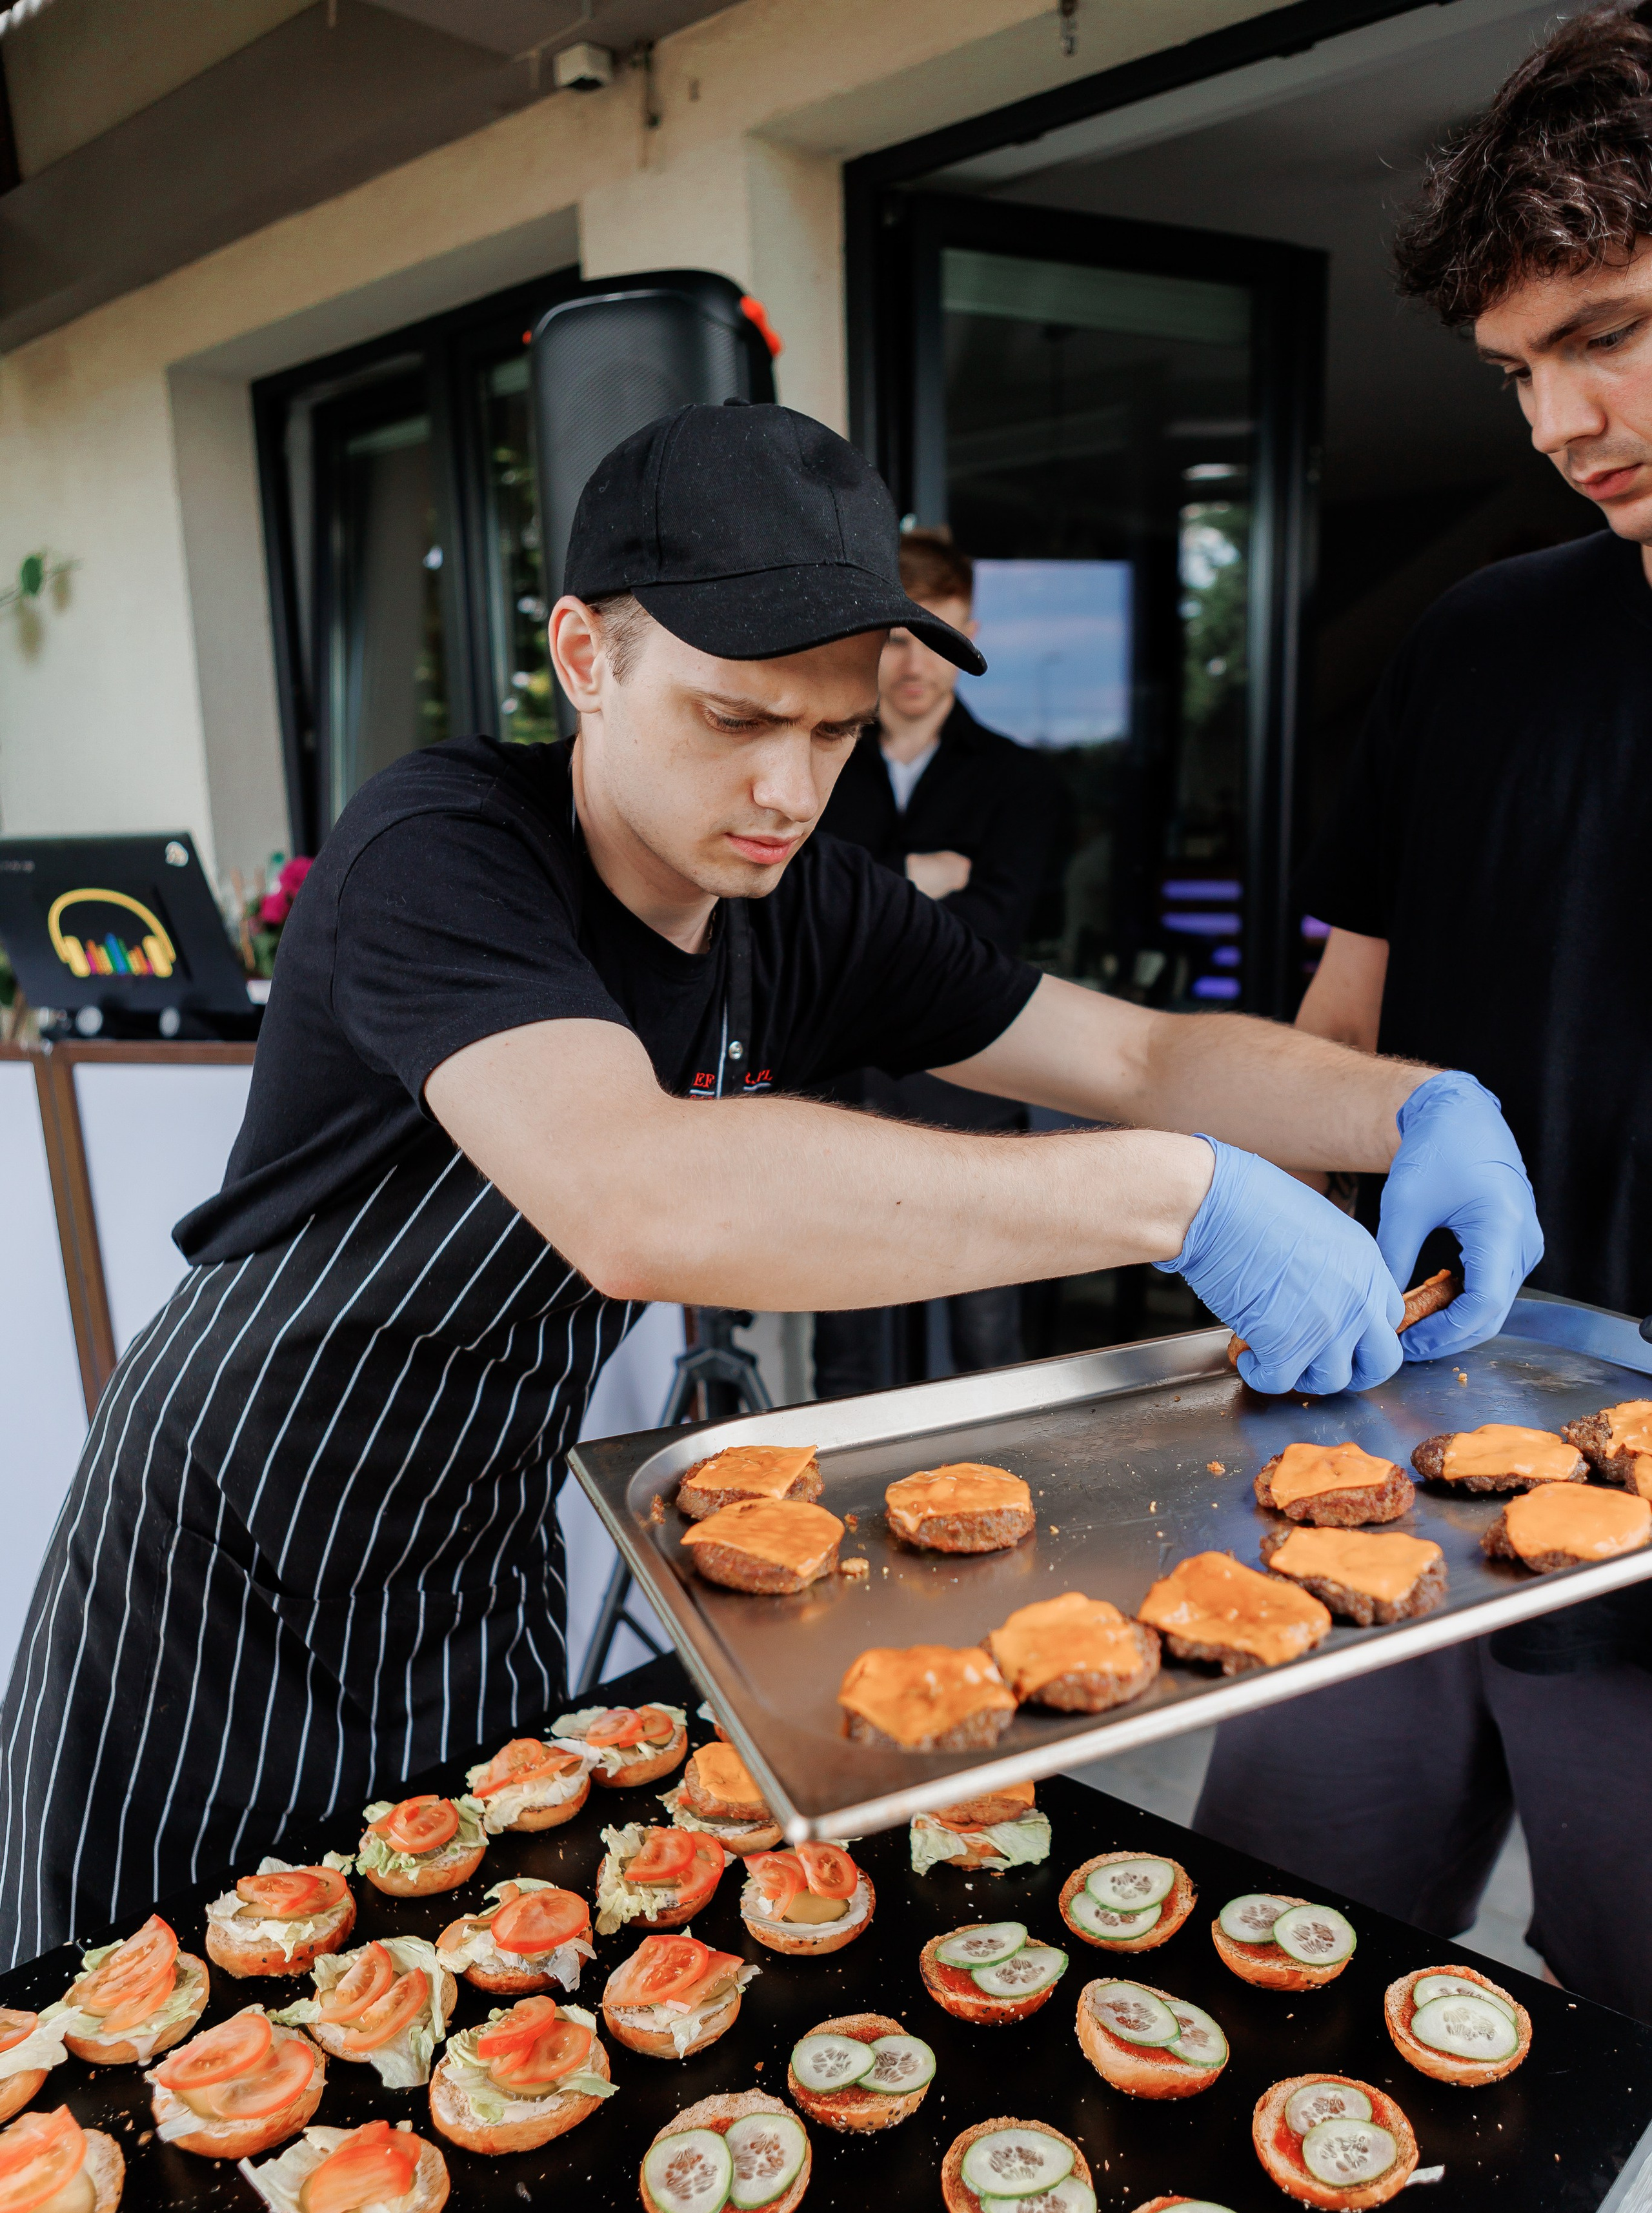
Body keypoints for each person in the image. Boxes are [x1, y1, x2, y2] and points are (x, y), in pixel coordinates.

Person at [0, 400, 1538, 1969]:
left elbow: (1136, 1059)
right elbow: (632, 1196)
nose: (787, 795)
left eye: (832, 734)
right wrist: (1182, 1200)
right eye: (735, 722)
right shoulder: (444, 846)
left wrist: (1416, 1101)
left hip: (472, 1549)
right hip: (222, 1562)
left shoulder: (807, 909)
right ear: (585, 657)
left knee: (462, 1992)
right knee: (136, 2030)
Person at [1194, 0, 1652, 2021]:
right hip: (1397, 1434)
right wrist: (1272, 1236)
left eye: (1614, 330)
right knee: (1253, 1958)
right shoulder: (1481, 642)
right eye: (1520, 370)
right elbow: (1348, 998)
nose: (1562, 422)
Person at [812, 526, 1073, 1395]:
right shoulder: (815, 767)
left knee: (987, 1348)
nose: (915, 660)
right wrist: (919, 880)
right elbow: (794, 915)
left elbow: (995, 930)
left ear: (968, 636)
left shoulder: (1020, 781)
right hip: (840, 1093)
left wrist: (865, 896)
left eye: (939, 632)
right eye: (894, 636)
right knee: (846, 1359)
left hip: (972, 1089)